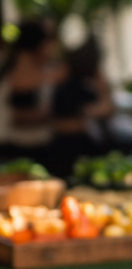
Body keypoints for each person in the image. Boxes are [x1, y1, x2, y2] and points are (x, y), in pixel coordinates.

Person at [48, 36, 114, 177]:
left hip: (68, 148)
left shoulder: (70, 86)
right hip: (74, 151)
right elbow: (107, 110)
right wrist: (103, 86)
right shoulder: (72, 88)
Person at [0, 20, 61, 162]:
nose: (50, 48)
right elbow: (19, 118)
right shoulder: (16, 70)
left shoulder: (43, 70)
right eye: (47, 42)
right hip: (13, 148)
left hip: (37, 146)